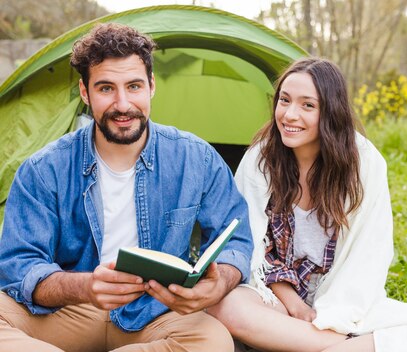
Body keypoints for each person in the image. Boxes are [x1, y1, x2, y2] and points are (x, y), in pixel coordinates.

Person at [0, 23, 253, 351]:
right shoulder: (43, 169)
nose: (122, 104)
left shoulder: (196, 158)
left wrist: (218, 285)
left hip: (155, 312)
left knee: (213, 341)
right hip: (68, 311)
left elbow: (237, 240)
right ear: (84, 92)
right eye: (106, 88)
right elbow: (19, 265)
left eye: (133, 86)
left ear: (151, 86)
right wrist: (86, 287)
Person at [207, 57, 407, 351]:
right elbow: (251, 247)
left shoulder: (363, 163)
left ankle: (305, 342)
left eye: (307, 105)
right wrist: (294, 306)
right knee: (227, 306)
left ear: (331, 111)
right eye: (284, 101)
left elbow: (367, 257)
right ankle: (333, 345)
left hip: (341, 298)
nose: (289, 115)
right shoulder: (261, 158)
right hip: (277, 301)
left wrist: (329, 317)